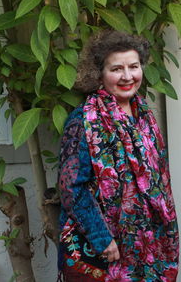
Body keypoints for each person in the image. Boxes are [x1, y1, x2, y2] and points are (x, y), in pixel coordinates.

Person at [57, 29, 179, 281]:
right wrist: (102, 239)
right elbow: (71, 188)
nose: (127, 76)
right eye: (116, 69)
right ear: (99, 74)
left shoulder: (144, 117)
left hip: (147, 247)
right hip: (101, 249)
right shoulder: (83, 120)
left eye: (133, 66)